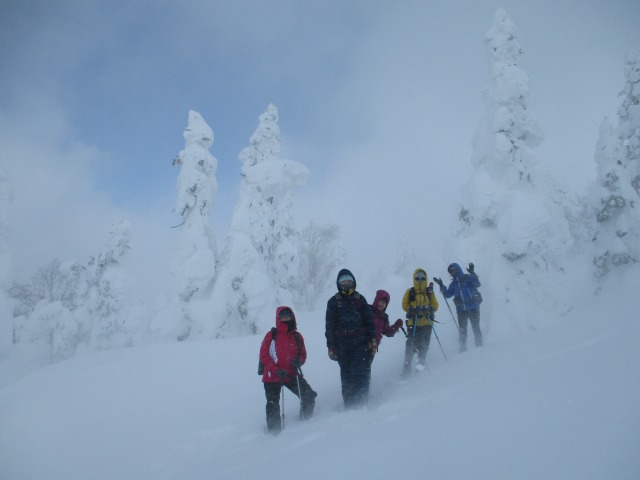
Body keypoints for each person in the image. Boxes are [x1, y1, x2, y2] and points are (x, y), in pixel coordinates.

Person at [259, 306, 317, 435]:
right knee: (273, 405)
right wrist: (275, 370)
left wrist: (299, 361)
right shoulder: (271, 336)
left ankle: (305, 424)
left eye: (288, 316)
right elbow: (264, 357)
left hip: (291, 374)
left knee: (308, 396)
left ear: (292, 317)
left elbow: (303, 354)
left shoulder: (297, 336)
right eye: (283, 316)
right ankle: (274, 435)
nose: (285, 319)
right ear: (278, 318)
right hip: (272, 376)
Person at [325, 269, 377, 409]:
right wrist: (330, 346)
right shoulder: (333, 302)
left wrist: (373, 339)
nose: (346, 283)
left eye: (349, 280)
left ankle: (361, 404)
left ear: (353, 282)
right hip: (342, 345)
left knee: (360, 372)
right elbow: (329, 326)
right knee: (347, 376)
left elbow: (369, 321)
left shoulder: (360, 299)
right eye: (343, 281)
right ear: (339, 283)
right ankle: (349, 406)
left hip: (360, 342)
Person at [433, 262, 483, 353]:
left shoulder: (468, 278)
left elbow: (478, 283)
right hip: (461, 311)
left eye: (454, 270)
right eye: (451, 271)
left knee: (476, 328)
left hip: (473, 308)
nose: (453, 272)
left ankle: (480, 347)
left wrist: (472, 273)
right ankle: (462, 349)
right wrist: (441, 285)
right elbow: (447, 294)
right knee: (462, 331)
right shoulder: (453, 284)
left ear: (458, 269)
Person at [401, 268, 439, 377]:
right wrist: (412, 309)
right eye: (417, 277)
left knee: (424, 346)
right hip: (414, 323)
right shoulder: (410, 291)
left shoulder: (429, 292)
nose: (420, 280)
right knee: (410, 345)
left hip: (427, 323)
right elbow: (404, 304)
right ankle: (406, 369)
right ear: (414, 278)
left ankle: (420, 368)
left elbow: (435, 305)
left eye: (422, 277)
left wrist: (429, 308)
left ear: (425, 278)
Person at [370, 289, 403, 365]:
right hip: (361, 344)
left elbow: (388, 332)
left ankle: (365, 377)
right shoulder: (368, 311)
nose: (381, 304)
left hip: (373, 347)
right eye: (380, 301)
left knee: (366, 369)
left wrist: (396, 326)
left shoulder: (384, 317)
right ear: (376, 300)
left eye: (384, 302)